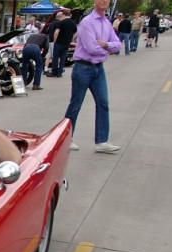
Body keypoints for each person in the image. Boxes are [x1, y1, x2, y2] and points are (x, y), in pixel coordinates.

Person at [63, 0, 120, 153]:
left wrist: (106, 45)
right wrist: (108, 48)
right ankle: (66, 139)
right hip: (83, 67)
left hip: (98, 69)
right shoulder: (87, 23)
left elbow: (118, 44)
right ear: (95, 2)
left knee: (103, 103)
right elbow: (91, 48)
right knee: (75, 104)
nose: (104, 2)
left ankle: (102, 142)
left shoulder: (107, 23)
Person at [50, 11, 77, 77]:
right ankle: (60, 73)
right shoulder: (73, 23)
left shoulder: (61, 22)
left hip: (59, 42)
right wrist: (71, 39)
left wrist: (54, 41)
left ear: (64, 15)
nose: (61, 16)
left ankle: (54, 72)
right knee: (63, 58)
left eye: (62, 15)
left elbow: (57, 32)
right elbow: (75, 32)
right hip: (67, 43)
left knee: (55, 57)